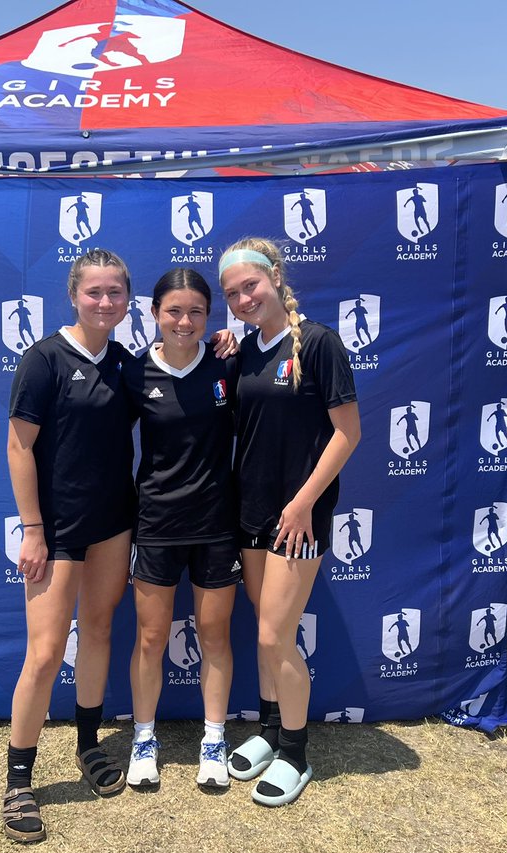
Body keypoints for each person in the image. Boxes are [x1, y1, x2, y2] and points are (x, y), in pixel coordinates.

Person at [217, 237, 360, 807]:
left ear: (276, 276)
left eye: (250, 285)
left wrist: (302, 504)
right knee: (263, 629)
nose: (243, 298)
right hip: (249, 511)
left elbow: (348, 433)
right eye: (232, 293)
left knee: (275, 635)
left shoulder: (320, 343)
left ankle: (296, 753)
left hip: (298, 518)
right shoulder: (245, 350)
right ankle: (271, 728)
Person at [3, 249, 138, 844]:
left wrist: (222, 351)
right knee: (45, 651)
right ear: (73, 295)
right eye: (94, 292)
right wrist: (32, 528)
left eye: (115, 292)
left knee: (101, 629)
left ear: (127, 299)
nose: (105, 302)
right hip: (54, 531)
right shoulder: (44, 360)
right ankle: (18, 780)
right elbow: (17, 447)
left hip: (113, 522)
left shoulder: (128, 364)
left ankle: (88, 744)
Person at [122, 268, 239, 790]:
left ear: (209, 316)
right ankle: (143, 737)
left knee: (214, 635)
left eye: (196, 311)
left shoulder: (226, 364)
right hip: (157, 524)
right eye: (174, 311)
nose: (185, 321)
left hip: (217, 524)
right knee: (150, 637)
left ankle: (213, 739)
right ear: (154, 315)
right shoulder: (133, 372)